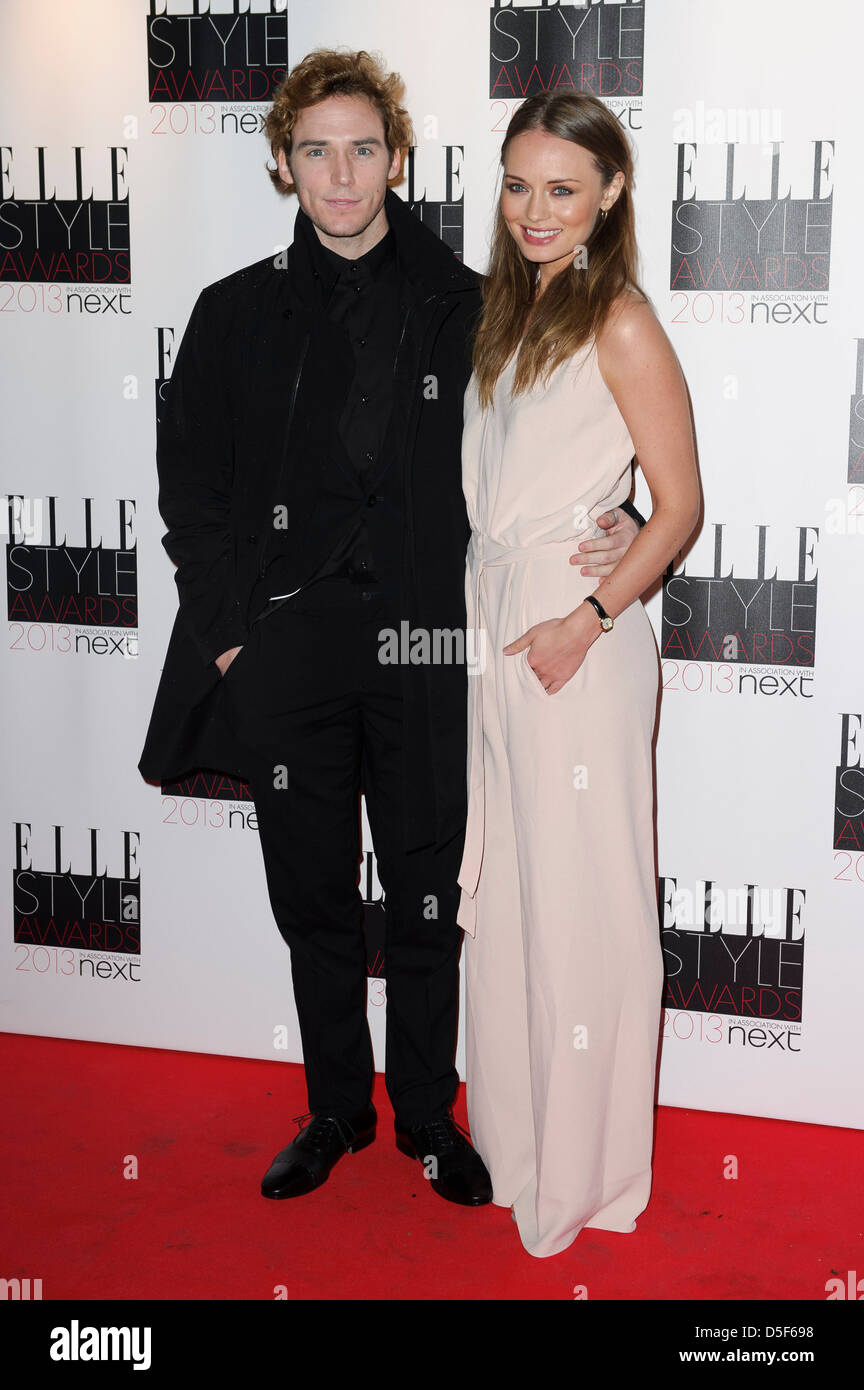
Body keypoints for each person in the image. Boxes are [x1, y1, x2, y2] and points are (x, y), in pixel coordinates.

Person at [138, 50, 643, 1207]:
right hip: (289, 653)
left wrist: (626, 518)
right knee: (311, 893)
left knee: (426, 888)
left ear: (399, 158)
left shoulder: (479, 304)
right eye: (315, 148)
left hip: (429, 648)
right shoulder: (231, 315)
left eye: (364, 147)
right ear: (282, 163)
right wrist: (231, 645)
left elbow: (564, 436)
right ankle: (333, 1107)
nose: (342, 172)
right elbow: (191, 499)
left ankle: (427, 1114)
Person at [457, 90, 700, 1256]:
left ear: (609, 194)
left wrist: (591, 613)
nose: (535, 211)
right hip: (501, 633)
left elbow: (684, 506)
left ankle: (590, 1171)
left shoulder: (624, 321)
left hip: (576, 654)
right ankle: (520, 1149)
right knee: (512, 906)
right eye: (518, 185)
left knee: (585, 914)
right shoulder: (511, 312)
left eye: (562, 188)